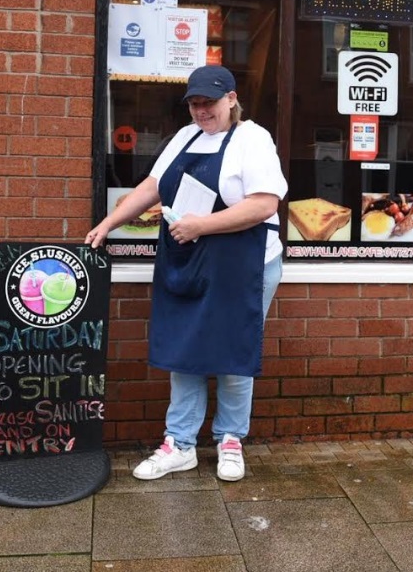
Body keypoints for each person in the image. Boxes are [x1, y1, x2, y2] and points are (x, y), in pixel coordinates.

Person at [85, 64, 286, 482]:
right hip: (189, 259)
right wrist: (109, 222)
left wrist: (201, 225)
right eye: (193, 104)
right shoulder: (185, 137)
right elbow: (151, 188)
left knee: (234, 353)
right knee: (184, 349)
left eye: (208, 103)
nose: (200, 111)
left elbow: (264, 204)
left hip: (244, 262)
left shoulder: (254, 139)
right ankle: (180, 444)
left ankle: (230, 440)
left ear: (231, 99)